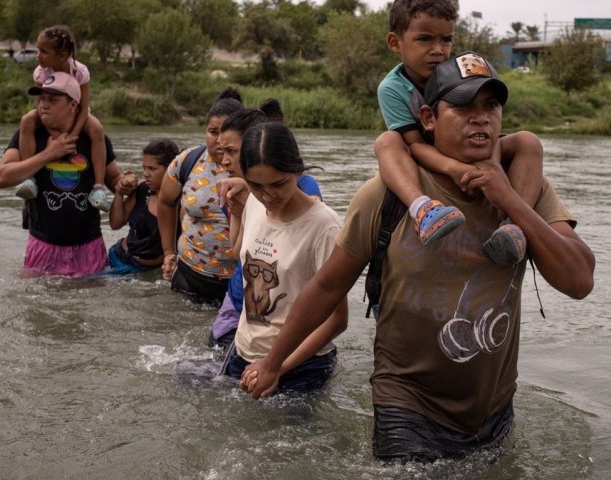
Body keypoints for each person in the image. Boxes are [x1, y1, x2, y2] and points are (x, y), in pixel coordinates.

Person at [240, 55, 595, 460]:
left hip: (494, 407)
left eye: (491, 107)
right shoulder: (388, 194)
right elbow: (326, 286)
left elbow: (579, 282)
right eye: (463, 107)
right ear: (428, 117)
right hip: (406, 406)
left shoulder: (526, 187)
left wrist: (512, 203)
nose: (480, 119)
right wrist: (272, 363)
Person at [375, 0, 543, 266]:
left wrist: (491, 165)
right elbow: (415, 146)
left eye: (446, 39)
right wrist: (456, 169)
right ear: (396, 43)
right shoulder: (393, 88)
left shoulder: (457, 71)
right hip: (430, 153)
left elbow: (487, 126)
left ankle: (515, 227)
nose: (438, 50)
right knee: (387, 141)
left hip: (470, 145)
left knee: (528, 141)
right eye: (425, 39)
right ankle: (422, 208)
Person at [221, 122, 348, 394]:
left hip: (301, 366)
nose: (268, 196)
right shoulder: (253, 204)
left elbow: (337, 319)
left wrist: (276, 366)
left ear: (297, 170)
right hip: (244, 353)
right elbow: (239, 254)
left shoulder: (324, 227)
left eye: (278, 184)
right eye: (257, 185)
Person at [209, 100, 322, 351]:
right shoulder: (242, 191)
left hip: (276, 316)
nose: (225, 161)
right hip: (241, 305)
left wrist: (252, 192)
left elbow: (311, 215)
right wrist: (238, 211)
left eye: (232, 151)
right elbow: (238, 251)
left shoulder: (298, 189)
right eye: (222, 151)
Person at [0, 72, 127, 277]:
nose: (43, 105)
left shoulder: (93, 138)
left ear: (73, 105)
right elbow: (3, 177)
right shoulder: (30, 135)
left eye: (53, 100)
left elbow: (113, 179)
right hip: (42, 244)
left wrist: (127, 182)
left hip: (88, 245)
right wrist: (49, 154)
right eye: (42, 99)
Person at [157, 88, 243, 304]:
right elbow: (166, 202)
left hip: (240, 282)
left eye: (226, 133)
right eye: (213, 131)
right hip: (190, 274)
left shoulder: (255, 165)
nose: (220, 140)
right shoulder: (187, 161)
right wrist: (168, 252)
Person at [14, 25, 109, 212]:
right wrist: (52, 131)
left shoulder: (80, 72)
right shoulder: (41, 73)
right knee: (27, 120)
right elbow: (39, 105)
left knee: (97, 128)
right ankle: (29, 179)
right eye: (37, 50)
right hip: (48, 114)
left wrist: (72, 135)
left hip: (76, 113)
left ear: (62, 55)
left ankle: (99, 188)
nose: (38, 55)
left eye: (44, 51)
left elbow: (82, 107)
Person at [107, 139, 180, 275]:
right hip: (121, 259)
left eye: (152, 168)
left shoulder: (181, 201)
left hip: (154, 269)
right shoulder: (141, 190)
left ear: (171, 168)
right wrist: (119, 192)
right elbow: (115, 224)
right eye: (144, 168)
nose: (146, 173)